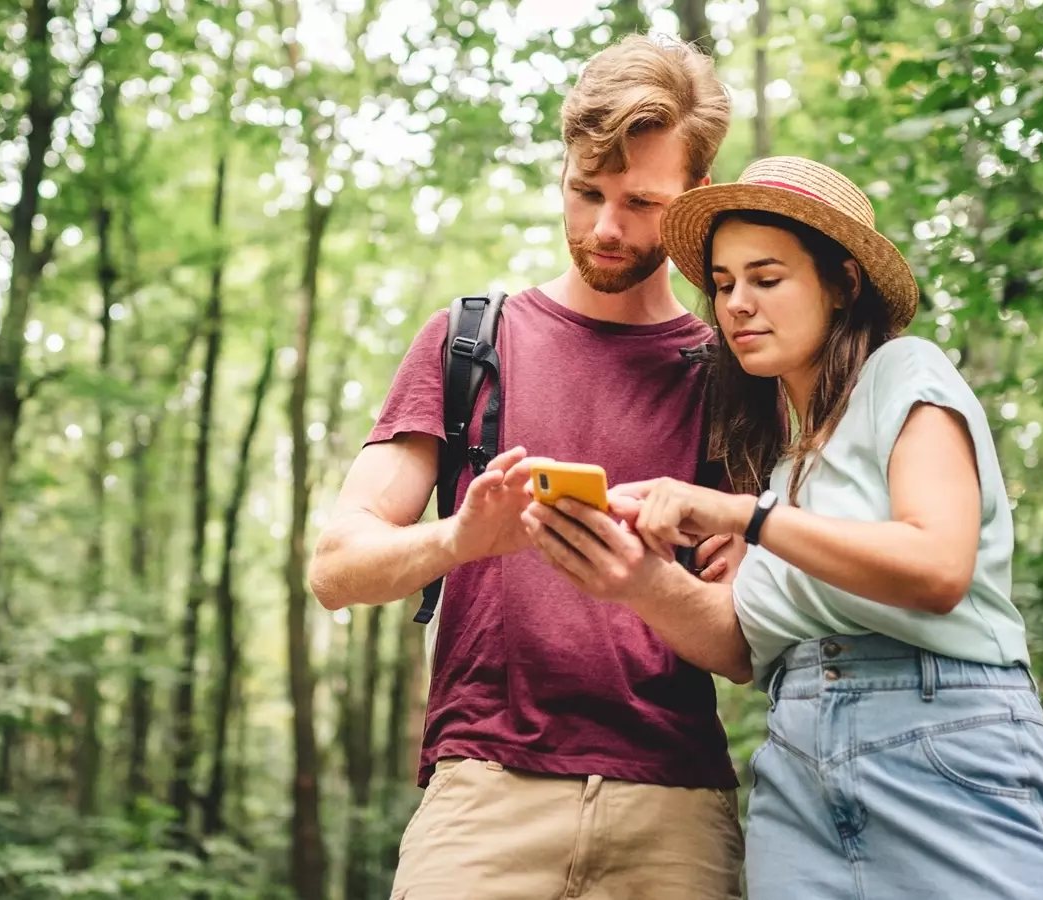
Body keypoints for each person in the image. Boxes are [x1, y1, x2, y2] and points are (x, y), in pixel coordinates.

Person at [522, 156, 1043, 899]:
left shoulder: (904, 374)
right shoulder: (782, 473)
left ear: (843, 282)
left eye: (767, 278)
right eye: (723, 285)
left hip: (947, 740)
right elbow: (734, 647)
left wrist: (747, 518)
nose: (736, 306)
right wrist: (634, 576)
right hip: (797, 773)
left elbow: (937, 566)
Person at [308, 34, 747, 900]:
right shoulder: (469, 342)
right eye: (585, 192)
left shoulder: (731, 377)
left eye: (640, 201)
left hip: (676, 805)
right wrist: (460, 538)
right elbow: (333, 567)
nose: (606, 227)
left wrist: (640, 584)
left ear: (697, 196)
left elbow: (740, 646)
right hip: (482, 796)